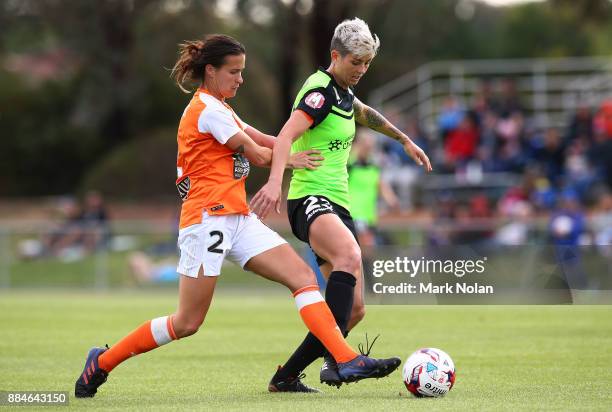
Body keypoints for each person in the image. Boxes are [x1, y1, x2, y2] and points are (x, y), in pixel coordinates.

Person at [74, 34, 400, 398]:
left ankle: (343, 358)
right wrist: (288, 160)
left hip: (238, 217)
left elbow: (261, 136)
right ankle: (101, 362)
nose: (240, 79)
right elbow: (256, 153)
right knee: (187, 322)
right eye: (234, 72)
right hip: (207, 219)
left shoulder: (222, 107)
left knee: (303, 277)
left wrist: (290, 144)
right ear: (210, 71)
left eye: (242, 71)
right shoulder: (207, 110)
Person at [251, 18, 431, 390]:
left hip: (338, 204)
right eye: (356, 63)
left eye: (367, 64)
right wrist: (274, 183)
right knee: (349, 254)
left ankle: (286, 376)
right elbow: (284, 137)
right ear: (336, 56)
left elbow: (366, 114)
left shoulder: (343, 94)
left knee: (355, 310)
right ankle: (342, 360)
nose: (362, 70)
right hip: (310, 198)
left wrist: (404, 141)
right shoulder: (319, 91)